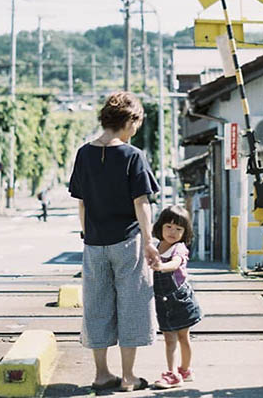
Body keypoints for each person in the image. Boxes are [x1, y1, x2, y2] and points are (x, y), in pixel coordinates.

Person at [68, 91, 160, 393]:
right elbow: (141, 202)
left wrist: (87, 234)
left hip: (94, 243)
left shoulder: (84, 153)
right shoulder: (132, 155)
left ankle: (101, 374)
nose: (137, 129)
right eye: (137, 122)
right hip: (127, 242)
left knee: (97, 306)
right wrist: (150, 241)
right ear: (129, 120)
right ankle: (128, 377)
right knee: (132, 305)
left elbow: (81, 203)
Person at [150, 205, 203, 389]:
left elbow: (175, 264)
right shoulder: (155, 246)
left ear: (185, 232)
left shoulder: (179, 248)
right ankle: (175, 372)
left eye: (178, 229)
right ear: (161, 226)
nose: (173, 232)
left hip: (180, 299)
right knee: (169, 338)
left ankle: (182, 370)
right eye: (169, 227)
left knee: (183, 337)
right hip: (162, 301)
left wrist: (161, 267)